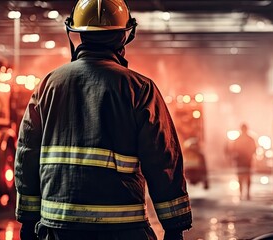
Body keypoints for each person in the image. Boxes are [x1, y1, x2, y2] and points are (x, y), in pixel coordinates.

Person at [14, 0, 192, 239]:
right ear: (124, 36)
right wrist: (174, 227)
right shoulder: (140, 88)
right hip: (123, 232)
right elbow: (163, 160)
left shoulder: (48, 85)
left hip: (57, 231)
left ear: (76, 33)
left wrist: (27, 222)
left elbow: (27, 153)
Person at [229, 123, 257, 200]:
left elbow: (233, 150)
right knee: (244, 177)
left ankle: (244, 193)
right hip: (245, 161)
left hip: (243, 161)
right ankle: (245, 193)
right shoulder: (249, 139)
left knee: (243, 177)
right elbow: (254, 149)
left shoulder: (238, 139)